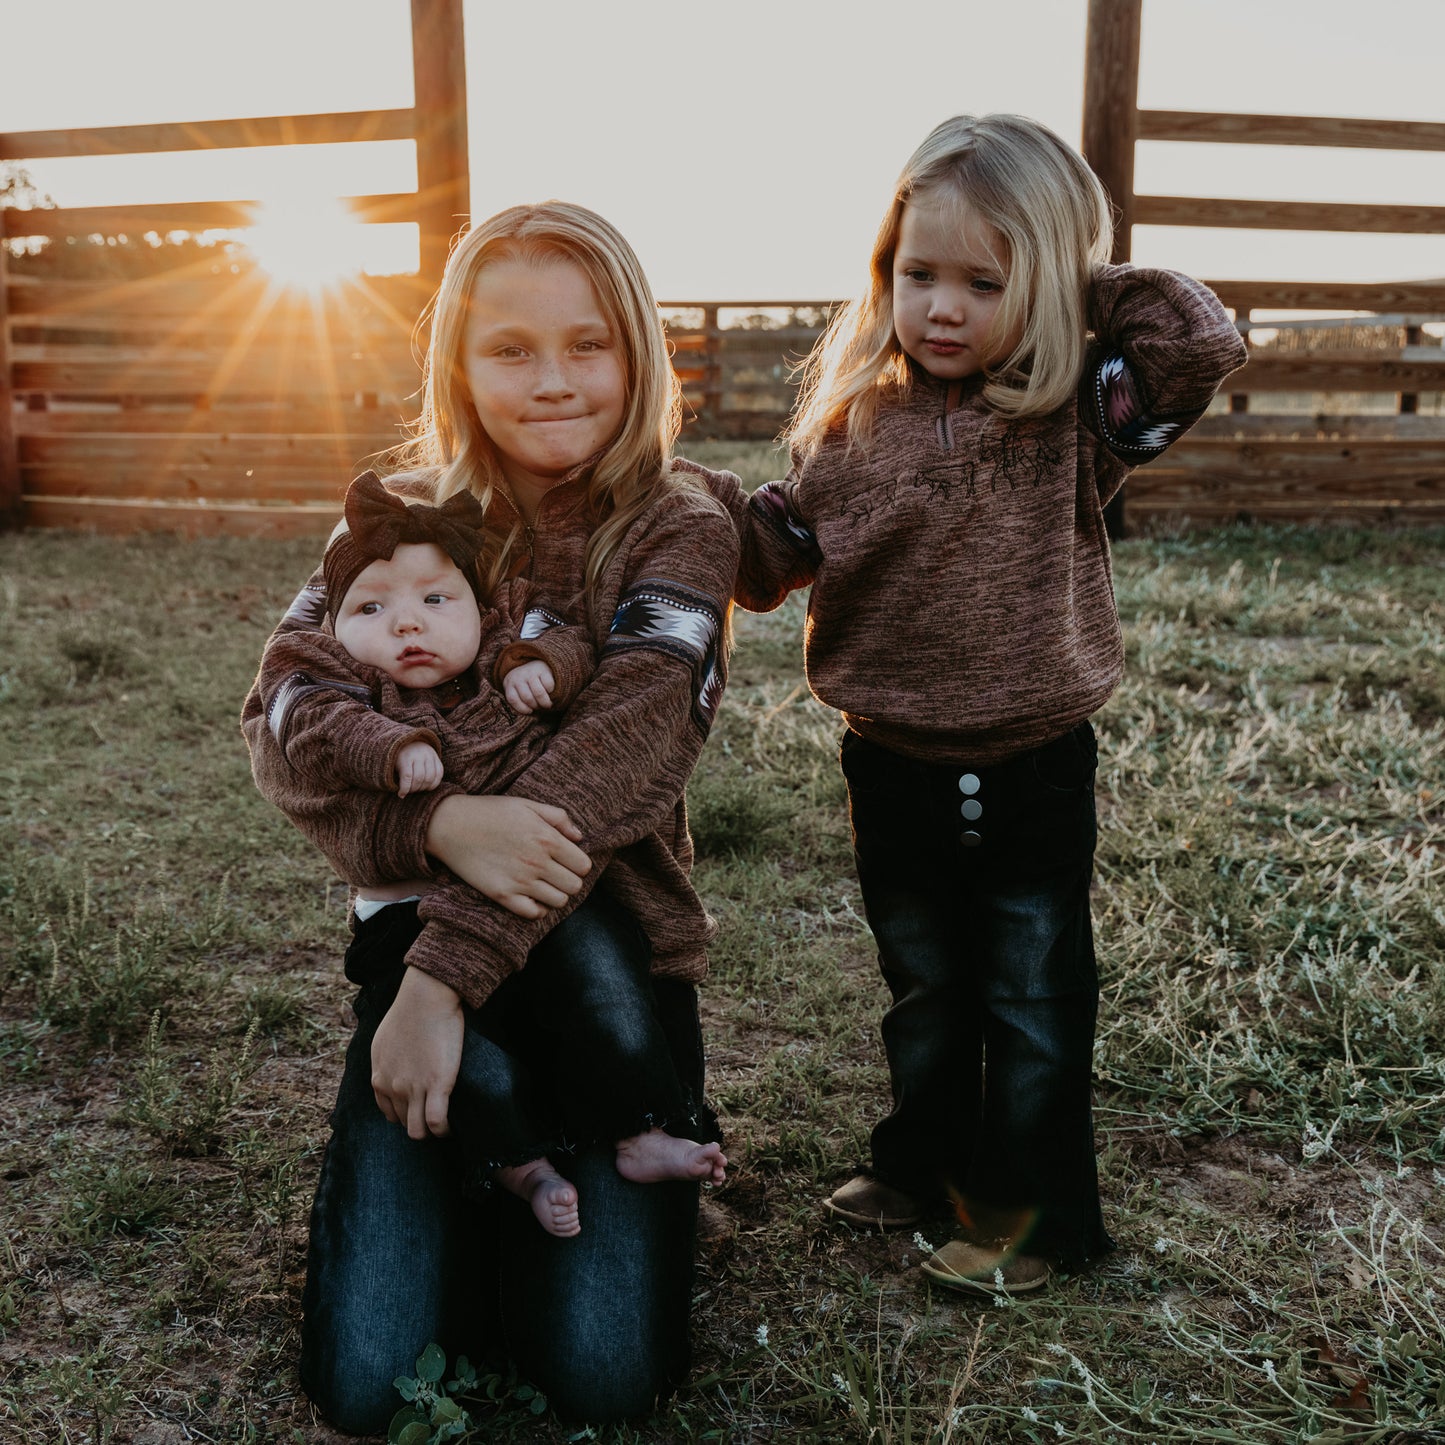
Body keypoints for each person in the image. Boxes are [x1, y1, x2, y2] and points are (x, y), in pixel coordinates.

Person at [693, 113, 1248, 1296]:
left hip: (1034, 762)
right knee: (926, 986)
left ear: (1044, 284)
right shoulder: (851, 428)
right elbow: (765, 557)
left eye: (983, 279)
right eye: (917, 272)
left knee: (1033, 997)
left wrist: (1068, 280)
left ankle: (1031, 1217)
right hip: (886, 762)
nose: (941, 304)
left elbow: (1194, 341)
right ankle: (925, 1162)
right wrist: (696, 517)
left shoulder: (1077, 416)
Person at [240, 201, 739, 1434]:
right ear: (454, 361)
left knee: (600, 1378)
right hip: (418, 955)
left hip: (601, 967)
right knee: (363, 1379)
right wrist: (442, 830)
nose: (554, 380)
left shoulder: (680, 524)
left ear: (639, 351)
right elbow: (282, 718)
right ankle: (448, 1180)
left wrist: (440, 984)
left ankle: (610, 1146)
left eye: (589, 344)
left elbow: (615, 763)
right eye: (510, 347)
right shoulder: (393, 515)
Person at [253, 471, 726, 1240]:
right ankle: (521, 1166)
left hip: (546, 901)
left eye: (435, 604)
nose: (408, 626)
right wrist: (400, 762)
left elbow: (562, 644)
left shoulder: (498, 650)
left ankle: (640, 1130)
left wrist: (538, 667)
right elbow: (303, 721)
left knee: (601, 992)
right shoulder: (346, 683)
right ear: (334, 622)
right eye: (372, 610)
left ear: (478, 609)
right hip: (405, 920)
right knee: (473, 1070)